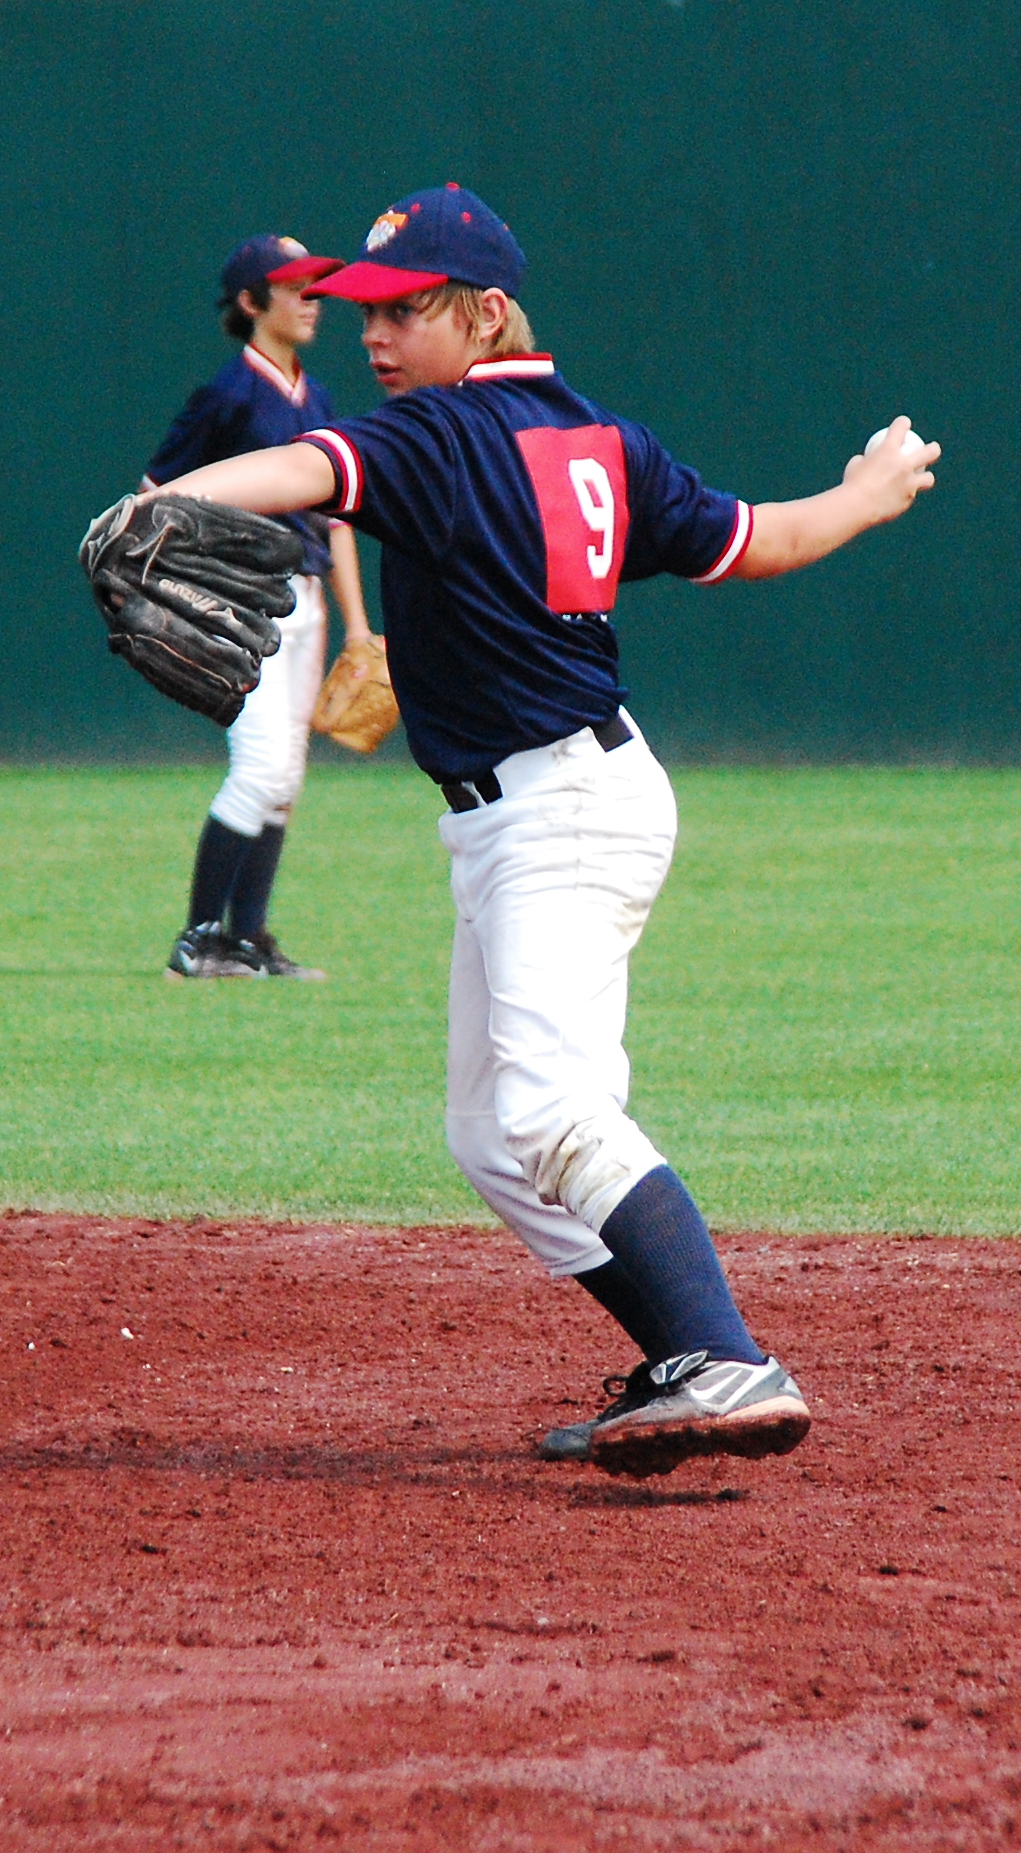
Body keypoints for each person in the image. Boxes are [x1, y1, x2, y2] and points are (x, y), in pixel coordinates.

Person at [155, 185, 939, 1475]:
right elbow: (758, 537)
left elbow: (308, 469)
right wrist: (862, 492)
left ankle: (726, 1353)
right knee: (489, 1132)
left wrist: (162, 504)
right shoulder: (599, 439)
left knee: (550, 1107)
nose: (375, 334)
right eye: (363, 311)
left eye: (404, 310)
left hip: (555, 811)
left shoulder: (442, 432)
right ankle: (687, 1357)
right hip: (553, 804)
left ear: (485, 313)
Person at [144, 234, 383, 982]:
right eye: (295, 287)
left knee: (286, 779)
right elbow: (153, 498)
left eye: (317, 287)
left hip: (306, 602)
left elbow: (336, 521)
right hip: (244, 607)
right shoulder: (228, 395)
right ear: (252, 303)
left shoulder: (317, 398)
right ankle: (196, 940)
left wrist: (359, 625)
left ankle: (246, 939)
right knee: (260, 768)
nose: (313, 301)